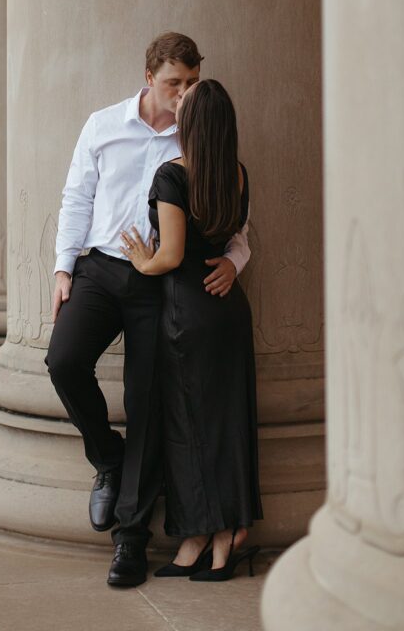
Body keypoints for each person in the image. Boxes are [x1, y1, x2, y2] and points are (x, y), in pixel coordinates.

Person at [46, 33, 251, 588]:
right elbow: (76, 197)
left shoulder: (199, 137)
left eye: (191, 83)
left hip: (158, 287)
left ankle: (130, 539)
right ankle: (107, 461)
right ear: (149, 78)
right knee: (62, 362)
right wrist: (64, 268)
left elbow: (232, 222)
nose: (183, 94)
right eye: (173, 84)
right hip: (102, 268)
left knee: (146, 400)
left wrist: (236, 259)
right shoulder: (103, 125)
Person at [120, 79, 262, 581]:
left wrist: (140, 259)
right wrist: (230, 262)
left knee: (188, 429)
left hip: (187, 316)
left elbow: (171, 257)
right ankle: (210, 538)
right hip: (228, 312)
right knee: (225, 426)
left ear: (193, 123)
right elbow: (231, 241)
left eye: (185, 101)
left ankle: (212, 536)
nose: (176, 102)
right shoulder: (238, 175)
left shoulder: (172, 176)